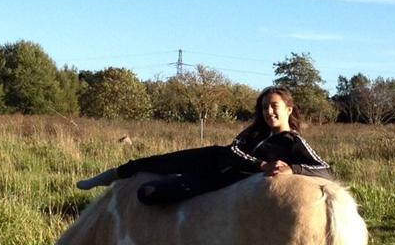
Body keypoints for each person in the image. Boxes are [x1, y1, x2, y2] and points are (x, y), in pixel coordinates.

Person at [77, 85, 333, 205]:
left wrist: (293, 169)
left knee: (148, 193)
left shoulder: (294, 142)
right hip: (213, 159)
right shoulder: (254, 133)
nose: (268, 112)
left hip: (222, 182)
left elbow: (325, 170)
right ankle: (110, 175)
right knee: (161, 161)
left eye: (274, 106)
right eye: (264, 107)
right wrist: (262, 164)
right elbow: (233, 151)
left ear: (288, 109)